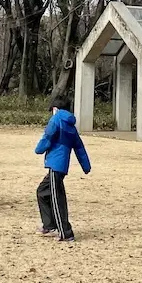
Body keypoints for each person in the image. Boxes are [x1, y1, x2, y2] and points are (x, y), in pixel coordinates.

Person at [34, 95, 91, 245]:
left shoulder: (56, 119)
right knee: (42, 192)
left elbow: (47, 136)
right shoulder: (71, 126)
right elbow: (80, 147)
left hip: (55, 165)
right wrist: (86, 166)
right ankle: (49, 225)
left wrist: (39, 149)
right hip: (61, 166)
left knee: (56, 198)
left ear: (55, 108)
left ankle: (65, 232)